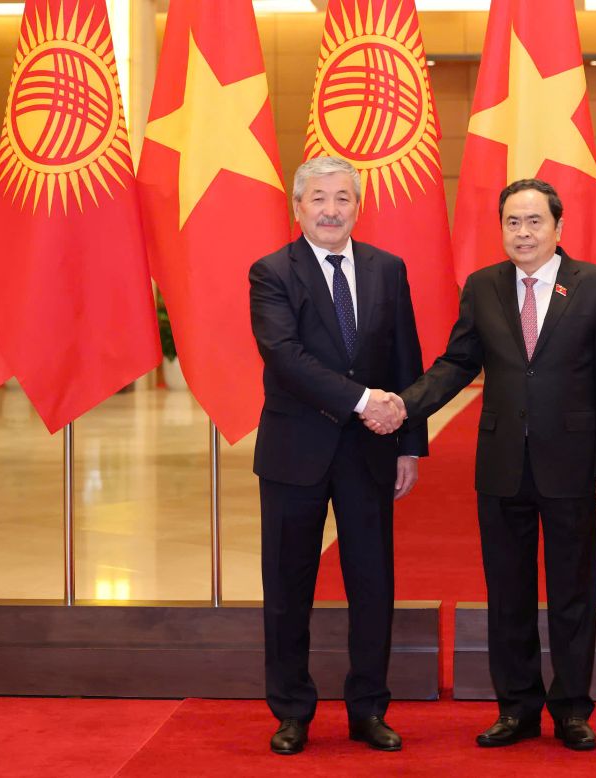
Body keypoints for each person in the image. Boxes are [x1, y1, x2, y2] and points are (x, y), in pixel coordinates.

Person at [369, 178, 596, 751]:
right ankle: (517, 708)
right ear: (501, 229)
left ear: (559, 228)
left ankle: (572, 710)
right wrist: (402, 404)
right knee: (507, 591)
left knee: (572, 592)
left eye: (535, 221)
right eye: (513, 222)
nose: (524, 232)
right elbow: (458, 362)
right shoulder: (483, 287)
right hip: (503, 463)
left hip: (574, 464)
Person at [249, 156, 424, 756]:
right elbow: (285, 357)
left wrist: (409, 445)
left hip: (371, 453)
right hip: (295, 453)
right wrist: (362, 400)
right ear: (297, 207)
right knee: (288, 586)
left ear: (359, 204)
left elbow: (406, 358)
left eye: (343, 198)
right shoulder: (271, 272)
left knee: (373, 585)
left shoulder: (388, 268)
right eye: (318, 198)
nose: (330, 210)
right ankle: (292, 710)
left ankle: (368, 708)